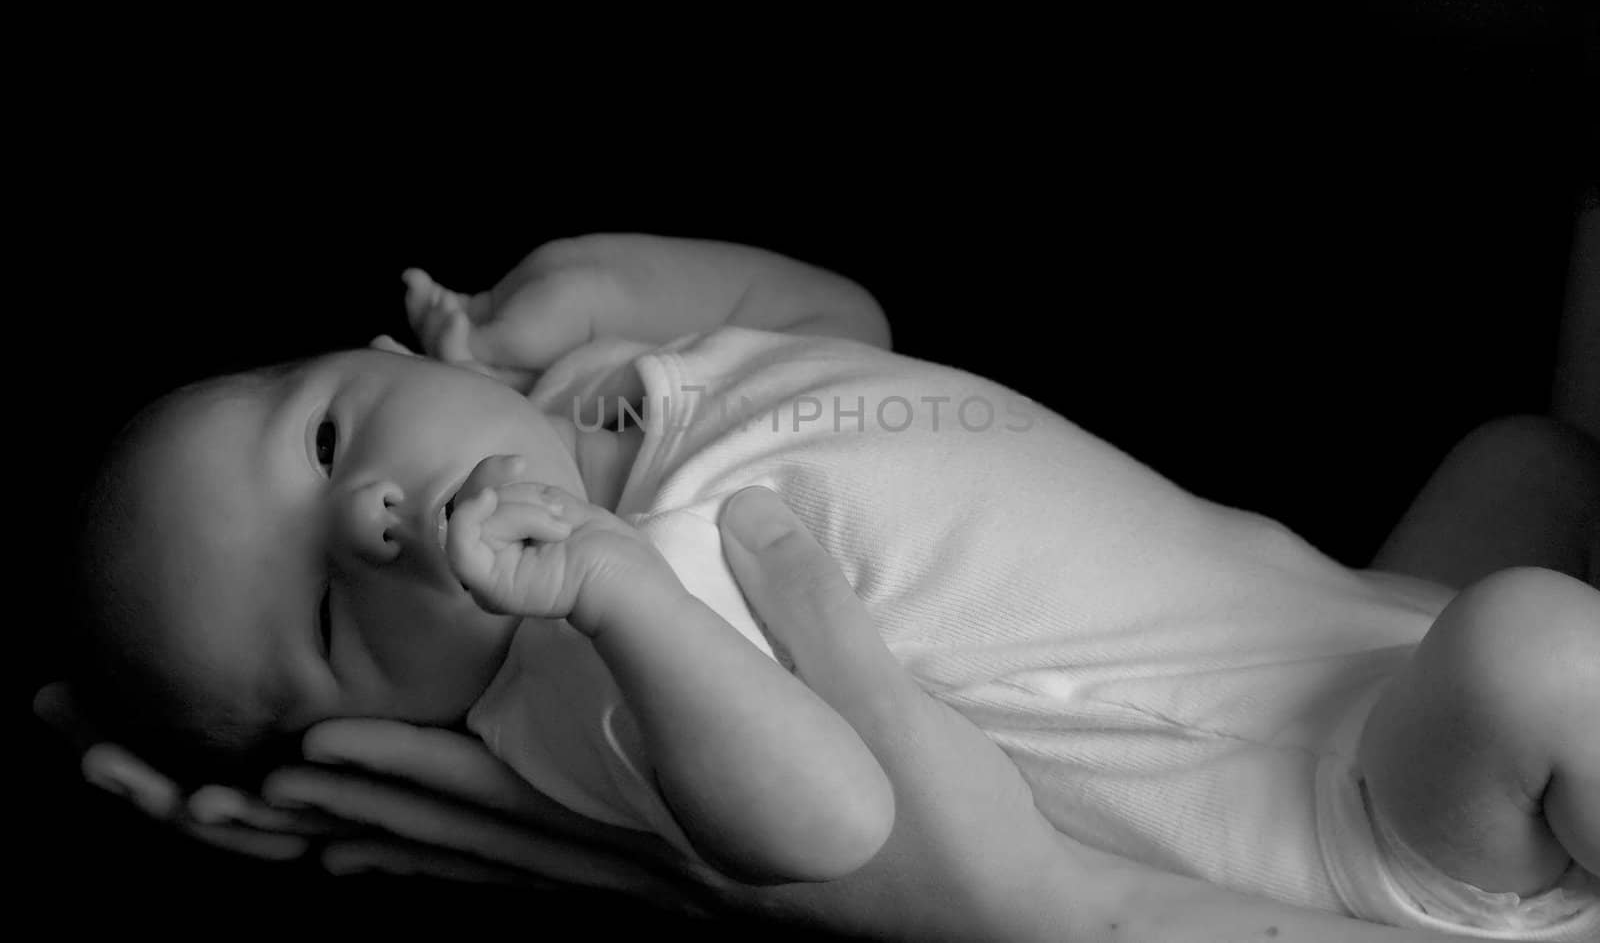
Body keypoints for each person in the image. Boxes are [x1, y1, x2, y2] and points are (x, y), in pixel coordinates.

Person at [42, 231, 1599, 939]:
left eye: (323, 444)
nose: (375, 521)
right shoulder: (572, 672)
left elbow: (843, 317)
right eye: (326, 619)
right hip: (1344, 825)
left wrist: (591, 283)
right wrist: (614, 598)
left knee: (1527, 463)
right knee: (1531, 654)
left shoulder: (607, 383)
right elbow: (828, 826)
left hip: (1337, 633)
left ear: (384, 357)